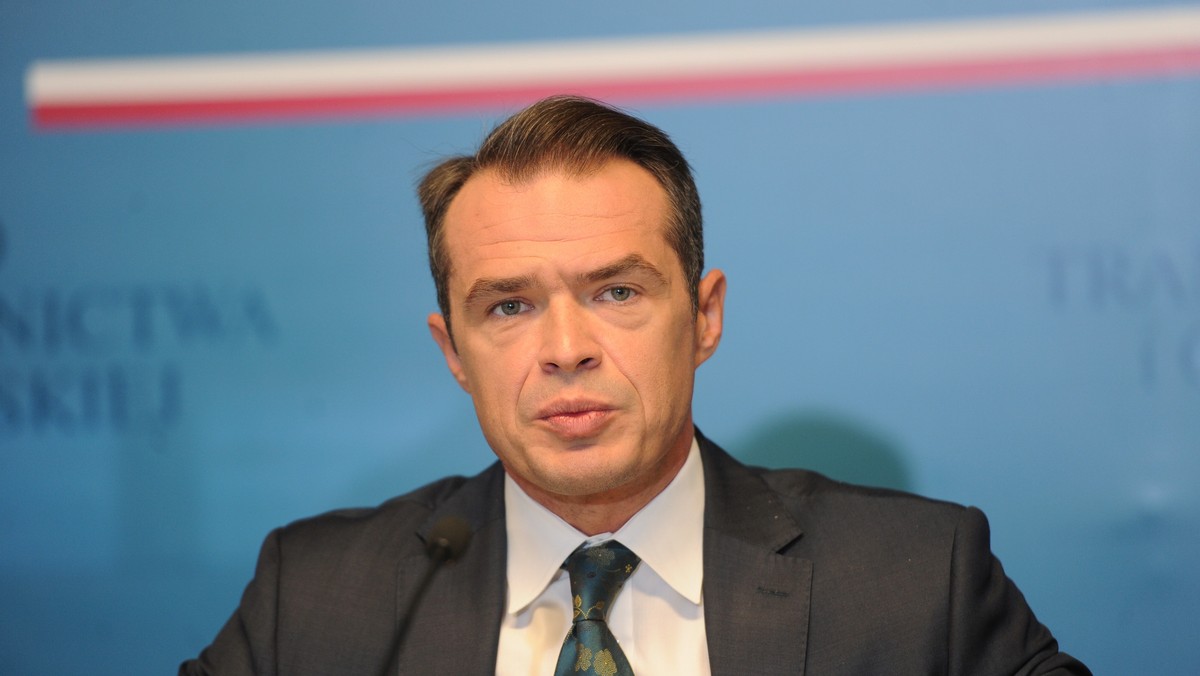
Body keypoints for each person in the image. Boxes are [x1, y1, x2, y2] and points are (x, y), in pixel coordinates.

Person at [181, 95, 1090, 675]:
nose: (565, 349)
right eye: (508, 306)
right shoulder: (315, 602)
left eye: (616, 292)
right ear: (453, 351)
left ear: (704, 317)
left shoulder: (916, 583)